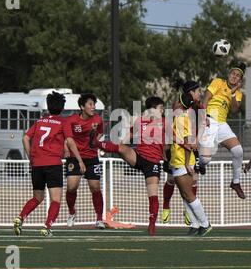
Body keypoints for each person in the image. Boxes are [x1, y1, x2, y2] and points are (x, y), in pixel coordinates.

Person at [89, 96, 165, 236]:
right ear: (153, 109)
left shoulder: (165, 122)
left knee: (153, 195)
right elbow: (130, 133)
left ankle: (152, 225)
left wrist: (166, 158)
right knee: (122, 148)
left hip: (153, 163)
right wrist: (118, 145)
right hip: (139, 157)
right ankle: (97, 143)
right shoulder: (140, 121)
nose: (163, 110)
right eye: (161, 108)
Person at [13, 92, 86, 237]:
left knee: (37, 198)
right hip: (53, 164)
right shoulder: (63, 122)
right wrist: (80, 160)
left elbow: (25, 138)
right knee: (56, 199)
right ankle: (47, 227)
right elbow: (70, 141)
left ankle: (20, 217)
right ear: (62, 107)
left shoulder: (40, 121)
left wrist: (31, 158)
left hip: (37, 164)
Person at [198, 63, 247, 199]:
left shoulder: (238, 93)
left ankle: (235, 182)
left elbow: (235, 110)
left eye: (238, 76)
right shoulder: (218, 82)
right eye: (233, 73)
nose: (234, 77)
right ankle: (199, 162)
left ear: (240, 80)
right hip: (210, 119)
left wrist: (232, 93)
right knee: (205, 160)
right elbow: (205, 99)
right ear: (229, 74)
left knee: (238, 151)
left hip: (222, 124)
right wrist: (203, 117)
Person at [170, 92, 212, 236]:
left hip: (183, 161)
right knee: (184, 194)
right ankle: (195, 224)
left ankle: (205, 223)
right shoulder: (180, 117)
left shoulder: (183, 119)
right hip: (178, 159)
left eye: (176, 101)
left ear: (180, 103)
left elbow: (188, 143)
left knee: (188, 194)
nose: (174, 103)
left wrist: (188, 163)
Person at [162, 80, 203, 225]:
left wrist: (197, 140)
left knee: (193, 179)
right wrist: (165, 147)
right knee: (172, 179)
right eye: (197, 91)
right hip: (177, 148)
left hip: (191, 147)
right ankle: (166, 205)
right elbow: (169, 128)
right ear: (191, 93)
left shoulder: (199, 106)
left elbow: (202, 123)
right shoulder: (178, 106)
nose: (200, 93)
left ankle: (189, 211)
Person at [63, 93, 105, 229]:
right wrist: (68, 149)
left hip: (92, 158)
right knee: (71, 187)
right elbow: (68, 139)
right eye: (90, 104)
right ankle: (71, 212)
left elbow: (100, 132)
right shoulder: (71, 120)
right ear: (82, 107)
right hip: (74, 158)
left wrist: (94, 141)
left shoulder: (98, 119)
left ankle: (99, 218)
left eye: (94, 104)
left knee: (95, 188)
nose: (93, 107)